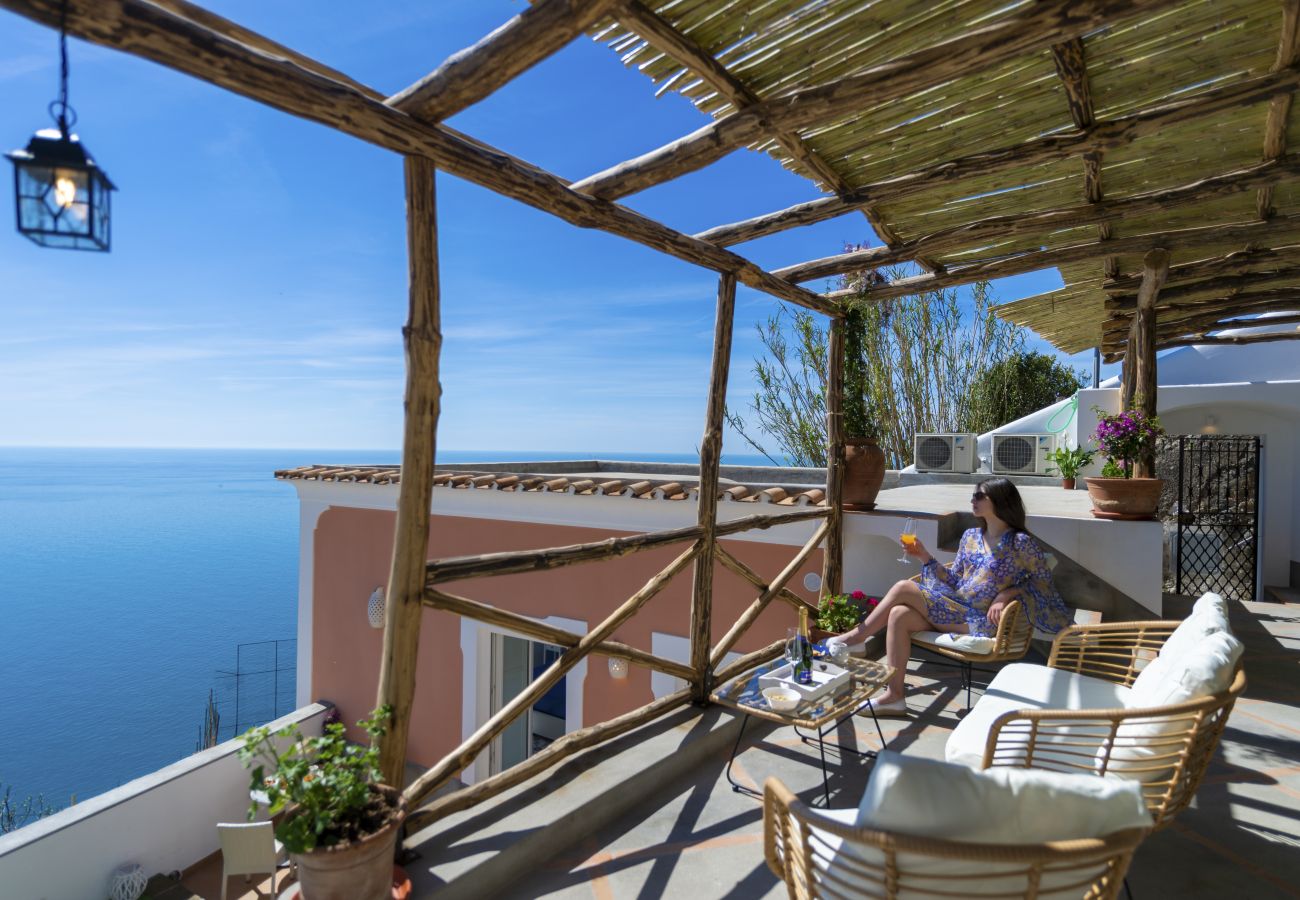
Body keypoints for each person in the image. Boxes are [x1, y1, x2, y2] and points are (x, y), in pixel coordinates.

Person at [827, 477, 1071, 716]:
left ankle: (856, 637)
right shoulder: (971, 537)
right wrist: (923, 556)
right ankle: (895, 696)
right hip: (954, 606)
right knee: (899, 615)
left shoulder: (1020, 543)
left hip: (977, 619)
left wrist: (1007, 593)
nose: (972, 500)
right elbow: (954, 580)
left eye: (979, 495)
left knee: (903, 587)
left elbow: (1042, 583)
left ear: (999, 500)